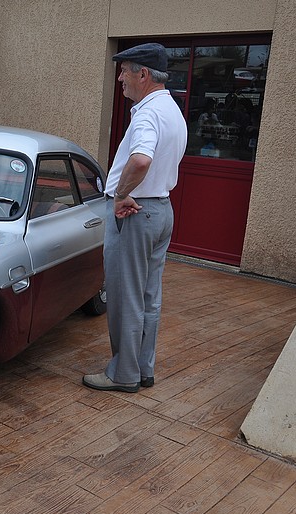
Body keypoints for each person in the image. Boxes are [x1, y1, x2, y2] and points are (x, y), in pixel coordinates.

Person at [82, 43, 187, 393]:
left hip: (135, 213)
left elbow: (141, 160)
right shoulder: (171, 109)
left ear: (143, 74)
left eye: (124, 71)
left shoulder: (146, 114)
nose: (120, 78)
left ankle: (123, 374)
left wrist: (120, 194)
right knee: (148, 297)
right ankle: (143, 369)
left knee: (125, 296)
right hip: (161, 210)